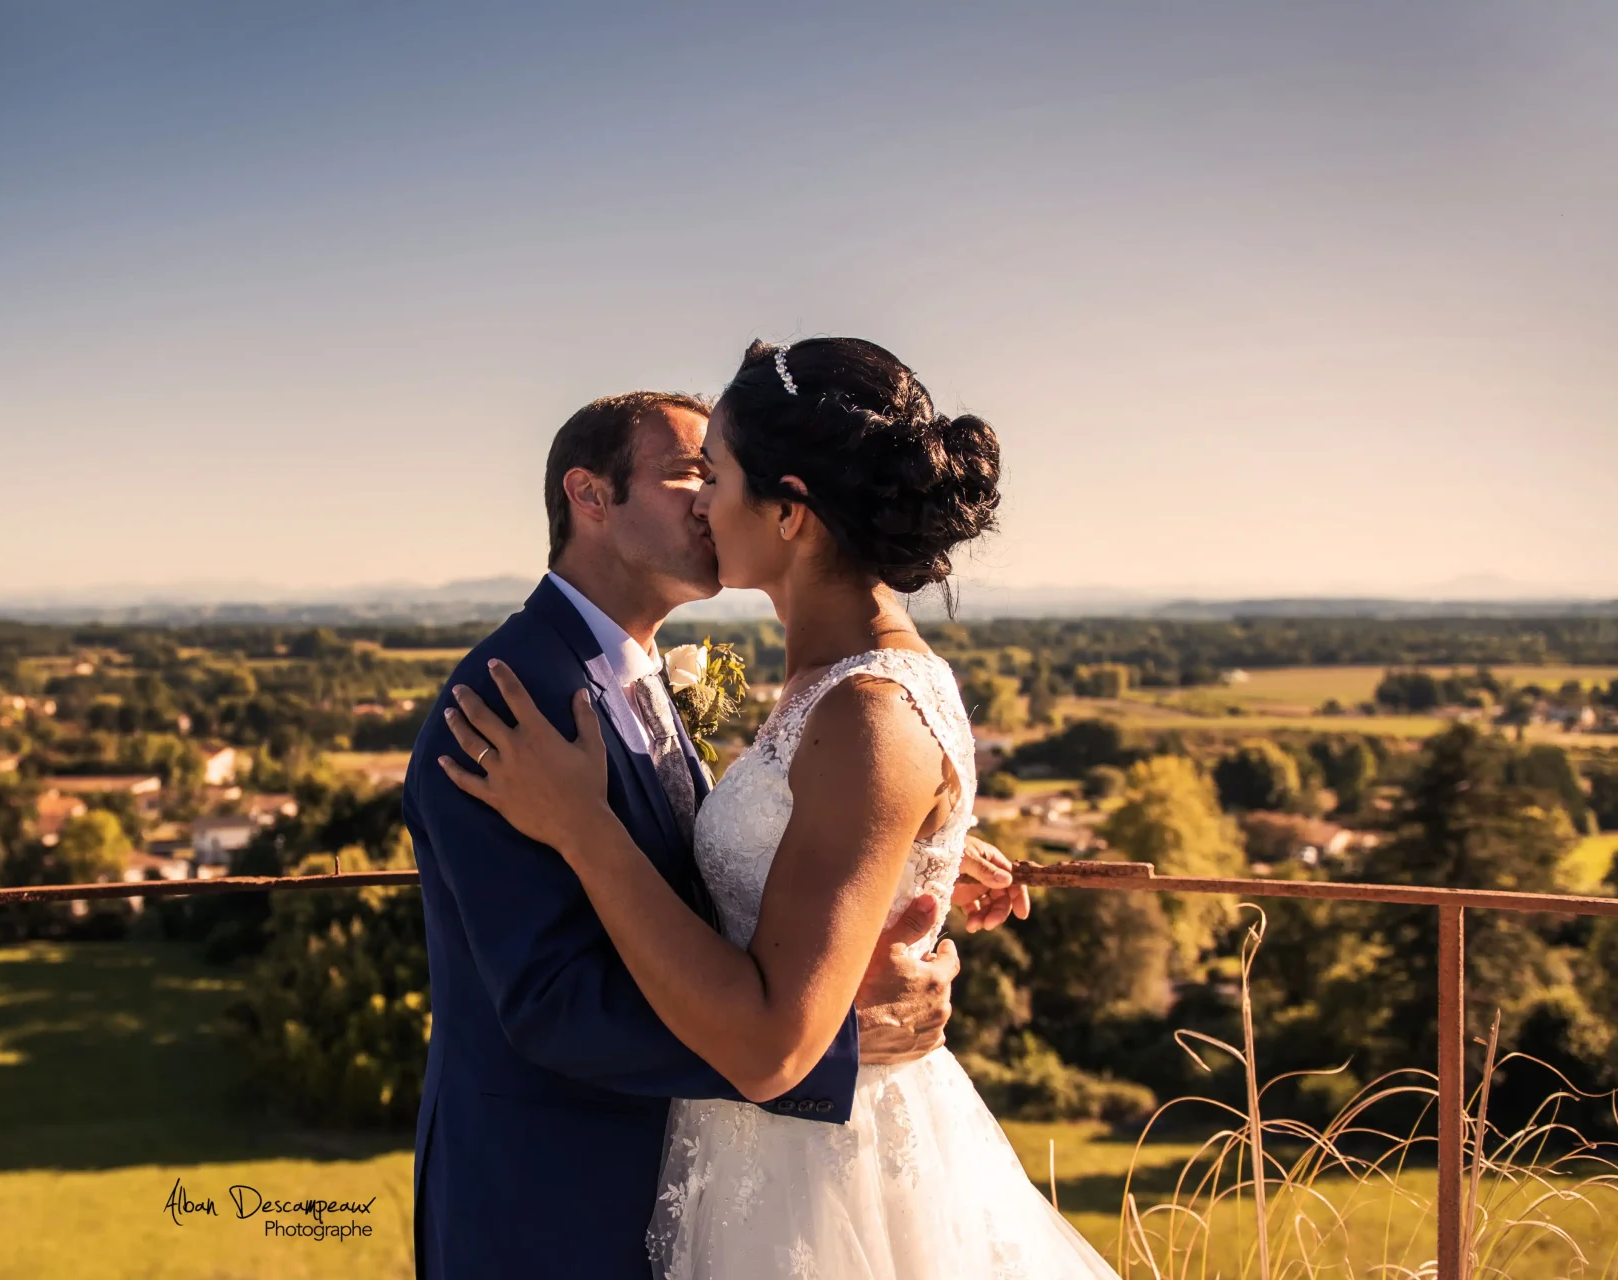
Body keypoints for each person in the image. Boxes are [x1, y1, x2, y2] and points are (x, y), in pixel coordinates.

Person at [439, 339, 1118, 1277]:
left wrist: (886, 848)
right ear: (588, 497)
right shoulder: (510, 701)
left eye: (715, 475)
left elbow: (829, 813)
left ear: (790, 512)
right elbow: (553, 1002)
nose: (706, 503)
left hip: (810, 1191)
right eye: (690, 473)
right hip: (557, 1203)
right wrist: (846, 975)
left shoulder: (862, 704)